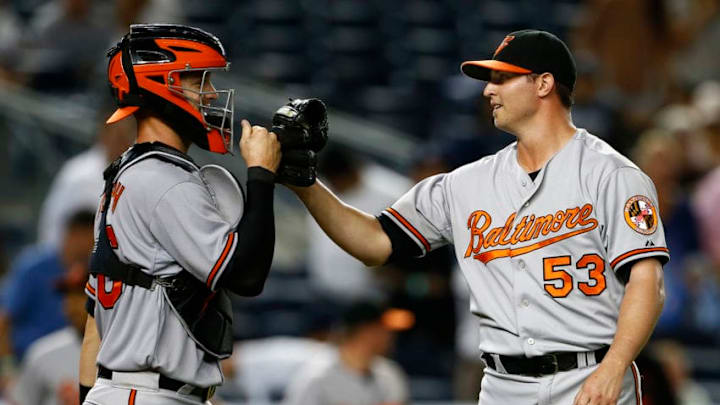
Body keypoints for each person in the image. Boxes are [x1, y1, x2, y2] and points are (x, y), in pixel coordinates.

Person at [290, 30, 669, 405]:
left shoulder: (613, 175)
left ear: (544, 84)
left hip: (590, 379)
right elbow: (374, 242)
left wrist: (615, 366)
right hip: (502, 386)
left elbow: (647, 280)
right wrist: (305, 184)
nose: (489, 90)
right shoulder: (467, 184)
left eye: (503, 78)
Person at [79, 24, 281, 405]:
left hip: (131, 390)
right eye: (197, 79)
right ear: (159, 83)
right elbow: (247, 275)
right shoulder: (166, 181)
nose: (210, 93)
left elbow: (94, 326)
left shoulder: (125, 176)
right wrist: (261, 177)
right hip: (147, 391)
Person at [283, 301, 412, 405]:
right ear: (364, 332)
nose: (390, 337)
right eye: (381, 330)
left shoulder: (390, 373)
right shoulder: (316, 377)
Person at [8, 259, 90, 405]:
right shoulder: (42, 353)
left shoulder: (123, 353)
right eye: (69, 296)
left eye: (82, 295)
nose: (73, 305)